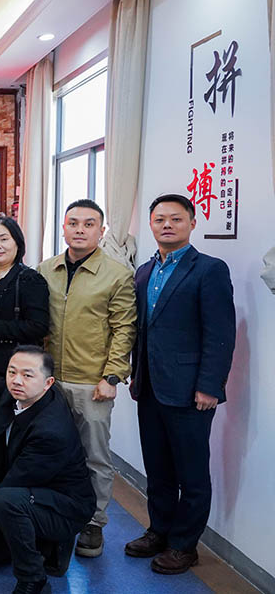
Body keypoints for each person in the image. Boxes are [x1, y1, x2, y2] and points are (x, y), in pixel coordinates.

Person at [124, 194, 236, 575]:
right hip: (150, 387)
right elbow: (143, 330)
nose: (167, 225)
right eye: (160, 219)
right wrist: (136, 374)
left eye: (176, 218)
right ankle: (159, 531)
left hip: (191, 392)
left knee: (191, 473)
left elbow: (220, 332)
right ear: (151, 225)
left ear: (192, 223)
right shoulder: (144, 272)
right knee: (157, 468)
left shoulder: (209, 270)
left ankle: (185, 545)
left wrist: (210, 385)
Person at [37, 198, 136, 559]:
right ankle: (54, 517)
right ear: (63, 227)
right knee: (50, 451)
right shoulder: (45, 270)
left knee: (94, 455)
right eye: (73, 223)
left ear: (101, 230)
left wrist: (112, 376)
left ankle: (93, 523)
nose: (80, 230)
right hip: (49, 381)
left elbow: (124, 329)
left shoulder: (117, 274)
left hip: (92, 382)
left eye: (89, 224)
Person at [0, 345, 96, 594]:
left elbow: (16, 480)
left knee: (5, 500)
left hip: (64, 506)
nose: (17, 380)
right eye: (12, 372)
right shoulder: (18, 395)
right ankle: (41, 545)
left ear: (48, 383)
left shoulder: (51, 430)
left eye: (27, 375)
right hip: (32, 495)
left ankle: (33, 578)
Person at [0, 216, 50, 441]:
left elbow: (39, 326)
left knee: (13, 439)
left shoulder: (30, 279)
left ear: (17, 242)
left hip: (14, 374)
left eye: (4, 239)